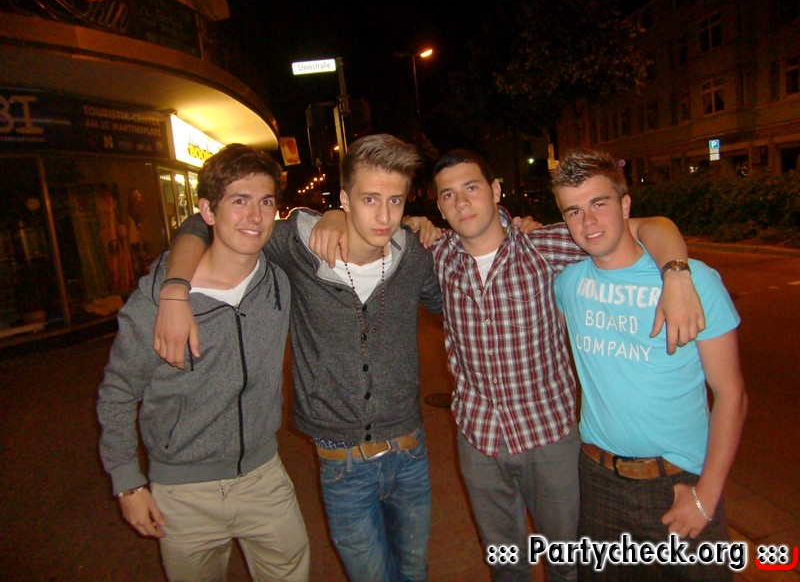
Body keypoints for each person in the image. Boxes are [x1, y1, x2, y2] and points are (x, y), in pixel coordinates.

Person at [309, 148, 704, 582]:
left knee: (566, 563)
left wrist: (677, 272)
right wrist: (334, 215)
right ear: (439, 206)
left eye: (472, 188)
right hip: (479, 441)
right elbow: (374, 226)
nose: (462, 202)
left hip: (548, 439)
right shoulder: (436, 255)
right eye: (448, 195)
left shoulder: (544, 245)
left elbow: (647, 226)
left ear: (496, 191)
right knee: (506, 565)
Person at [152, 134, 443, 582]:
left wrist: (452, 229)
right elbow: (201, 222)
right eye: (369, 199)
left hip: (410, 452)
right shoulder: (297, 246)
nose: (384, 216)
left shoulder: (414, 256)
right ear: (344, 198)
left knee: (415, 570)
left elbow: (453, 297)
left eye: (395, 201)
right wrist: (175, 289)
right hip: (341, 462)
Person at [97, 144, 310, 581]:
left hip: (264, 479)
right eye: (239, 200)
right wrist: (127, 481)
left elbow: (328, 228)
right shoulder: (156, 300)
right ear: (208, 211)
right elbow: (118, 391)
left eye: (266, 202)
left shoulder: (279, 283)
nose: (255, 216)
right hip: (182, 492)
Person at [551, 148, 747, 580]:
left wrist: (706, 495)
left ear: (625, 206)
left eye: (599, 204)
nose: (588, 222)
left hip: (678, 483)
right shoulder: (568, 285)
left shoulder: (694, 282)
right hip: (599, 482)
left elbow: (731, 395)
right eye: (574, 211)